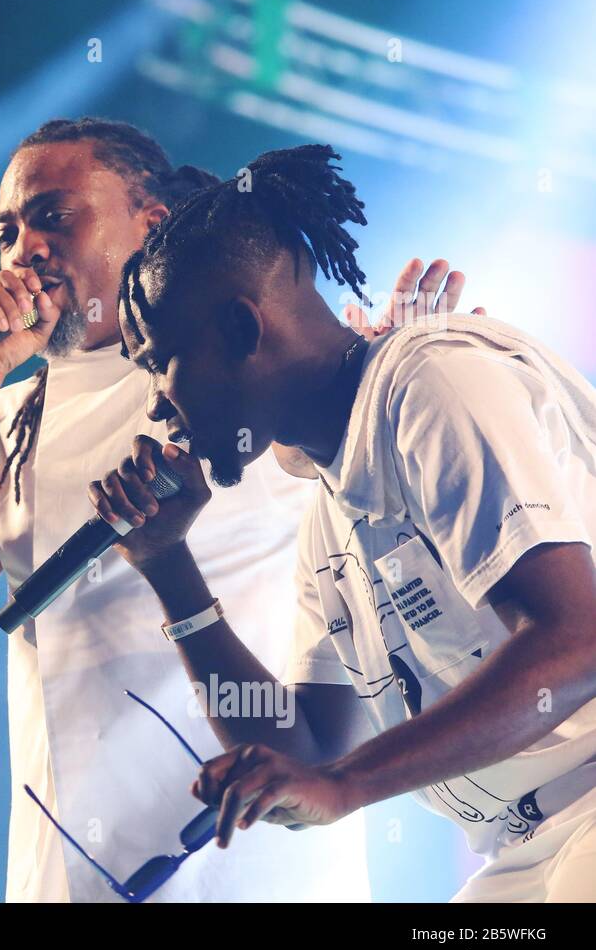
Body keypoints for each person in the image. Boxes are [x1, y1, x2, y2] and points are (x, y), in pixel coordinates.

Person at [0, 117, 464, 901]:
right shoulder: (9, 413)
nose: (25, 247)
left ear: (150, 222)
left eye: (54, 216)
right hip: (71, 863)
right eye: (7, 231)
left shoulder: (235, 371)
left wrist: (384, 376)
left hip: (253, 860)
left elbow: (366, 475)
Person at [94, 143, 596, 901]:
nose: (157, 404)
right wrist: (168, 563)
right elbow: (308, 747)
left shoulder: (433, 381)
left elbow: (578, 641)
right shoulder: (332, 519)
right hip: (527, 849)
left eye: (160, 362)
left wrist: (347, 785)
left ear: (240, 330)